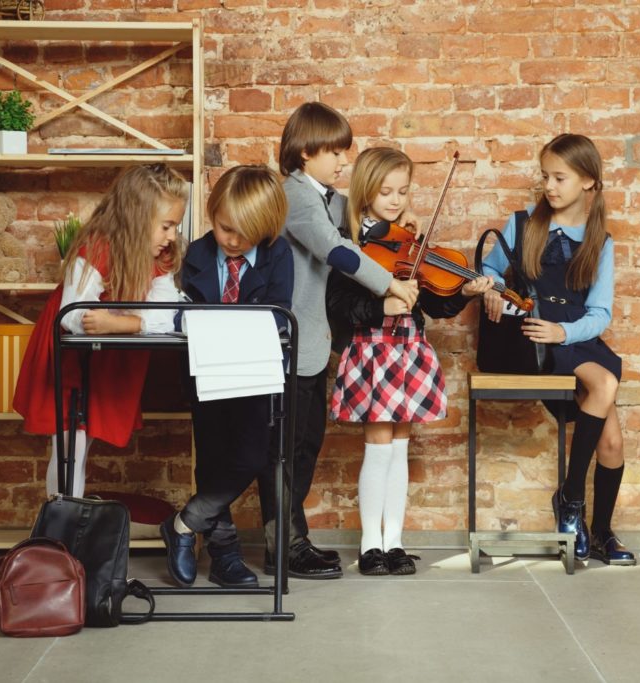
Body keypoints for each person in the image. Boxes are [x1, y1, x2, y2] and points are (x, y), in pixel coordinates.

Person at [257, 102, 420, 580]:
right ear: (305, 152)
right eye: (335, 152)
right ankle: (283, 544)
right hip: (290, 339)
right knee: (286, 448)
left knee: (305, 444)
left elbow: (354, 231)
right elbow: (336, 248)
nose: (343, 161)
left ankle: (291, 539)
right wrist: (389, 283)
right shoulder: (296, 196)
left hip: (313, 342)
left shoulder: (324, 196)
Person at [327, 147, 494, 575]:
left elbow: (436, 306)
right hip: (373, 350)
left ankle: (395, 542)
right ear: (365, 190)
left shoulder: (408, 245)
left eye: (403, 191)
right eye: (386, 192)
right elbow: (338, 304)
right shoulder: (351, 245)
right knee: (379, 448)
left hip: (410, 348)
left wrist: (463, 293)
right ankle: (370, 546)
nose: (396, 200)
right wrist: (382, 308)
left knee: (400, 448)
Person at [480, 133, 635, 566]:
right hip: (535, 338)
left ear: (588, 182)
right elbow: (489, 271)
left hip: (575, 337)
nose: (550, 186)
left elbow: (600, 313)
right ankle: (570, 502)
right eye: (545, 176)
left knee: (613, 443)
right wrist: (492, 290)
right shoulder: (523, 223)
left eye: (560, 177)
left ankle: (600, 531)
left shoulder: (601, 240)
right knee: (604, 382)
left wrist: (565, 333)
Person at [13, 164, 189, 497]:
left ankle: (65, 528)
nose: (171, 237)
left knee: (82, 442)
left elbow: (167, 316)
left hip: (105, 354)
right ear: (137, 218)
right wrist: (118, 323)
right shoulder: (97, 247)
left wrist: (120, 323)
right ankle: (60, 532)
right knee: (69, 445)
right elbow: (76, 316)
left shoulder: (162, 258)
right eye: (166, 226)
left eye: (175, 227)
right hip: (69, 356)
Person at [159, 165, 292, 588]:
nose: (232, 241)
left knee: (251, 458)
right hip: (205, 374)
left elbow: (278, 316)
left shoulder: (278, 255)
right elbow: (176, 312)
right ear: (212, 214)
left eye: (244, 234)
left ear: (267, 228)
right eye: (224, 229)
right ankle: (225, 555)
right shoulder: (193, 253)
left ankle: (183, 524)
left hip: (254, 375)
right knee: (214, 462)